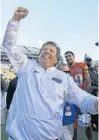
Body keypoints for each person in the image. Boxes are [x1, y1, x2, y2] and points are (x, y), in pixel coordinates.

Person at [2, 7, 99, 140]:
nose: (47, 51)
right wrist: (15, 20)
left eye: (51, 51)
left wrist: (96, 103)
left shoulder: (64, 78)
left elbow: (82, 98)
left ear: (56, 59)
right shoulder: (26, 66)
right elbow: (9, 46)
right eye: (45, 49)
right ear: (39, 53)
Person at [65, 51, 93, 140]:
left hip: (81, 98)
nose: (67, 58)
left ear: (74, 56)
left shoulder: (81, 65)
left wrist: (86, 93)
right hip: (71, 100)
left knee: (86, 122)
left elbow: (87, 79)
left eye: (69, 56)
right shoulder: (64, 68)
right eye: (66, 57)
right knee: (73, 123)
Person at [57, 63, 82, 140]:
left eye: (68, 72)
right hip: (59, 123)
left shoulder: (71, 85)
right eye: (65, 72)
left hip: (70, 121)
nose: (67, 74)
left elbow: (76, 100)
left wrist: (81, 113)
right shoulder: (51, 86)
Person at [85, 57, 98, 131]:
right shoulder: (85, 71)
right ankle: (93, 125)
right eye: (87, 61)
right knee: (92, 110)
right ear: (85, 62)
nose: (89, 62)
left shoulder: (94, 70)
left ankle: (95, 123)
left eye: (90, 60)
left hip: (96, 91)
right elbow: (87, 83)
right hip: (91, 92)